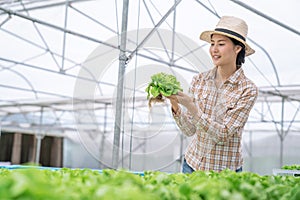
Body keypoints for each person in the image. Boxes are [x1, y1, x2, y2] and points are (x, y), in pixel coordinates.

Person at [167, 16, 258, 173]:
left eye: (221, 44)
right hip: (192, 165)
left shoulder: (247, 90)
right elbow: (189, 130)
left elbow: (223, 135)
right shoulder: (199, 80)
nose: (214, 49)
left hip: (224, 172)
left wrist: (192, 107)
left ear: (238, 48)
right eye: (212, 44)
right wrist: (175, 103)